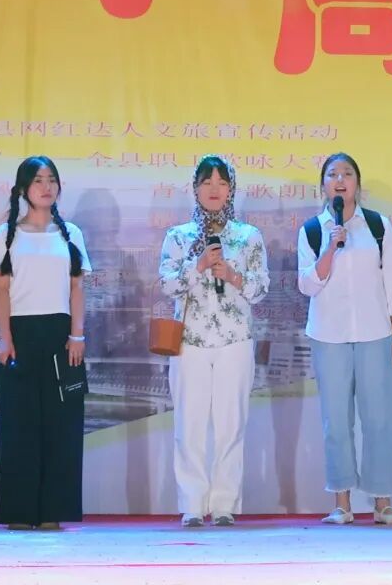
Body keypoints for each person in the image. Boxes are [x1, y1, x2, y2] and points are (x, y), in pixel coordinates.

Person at [297, 152, 392, 525]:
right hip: (328, 335)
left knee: (379, 418)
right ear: (323, 186)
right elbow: (308, 284)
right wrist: (331, 246)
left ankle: (382, 502)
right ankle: (342, 503)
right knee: (336, 421)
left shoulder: (377, 226)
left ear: (357, 183)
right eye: (333, 174)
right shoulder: (312, 230)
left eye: (347, 173)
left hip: (375, 333)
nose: (340, 180)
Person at [159, 155, 269, 527]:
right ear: (195, 188)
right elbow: (167, 284)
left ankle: (224, 504)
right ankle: (192, 503)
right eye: (207, 182)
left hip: (235, 340)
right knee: (189, 425)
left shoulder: (248, 236)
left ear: (231, 189)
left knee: (230, 424)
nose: (214, 189)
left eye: (222, 182)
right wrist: (200, 266)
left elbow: (261, 289)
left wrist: (234, 276)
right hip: (189, 340)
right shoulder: (178, 236)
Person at [0, 155, 91, 530]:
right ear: (23, 189)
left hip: (61, 337)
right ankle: (19, 511)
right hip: (19, 335)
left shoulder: (70, 233)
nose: (46, 187)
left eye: (52, 180)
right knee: (19, 425)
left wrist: (77, 335)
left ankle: (52, 512)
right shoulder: (4, 236)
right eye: (38, 181)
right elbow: (1, 291)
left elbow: (77, 288)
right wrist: (5, 338)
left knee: (62, 427)